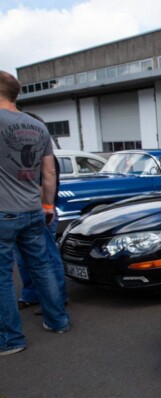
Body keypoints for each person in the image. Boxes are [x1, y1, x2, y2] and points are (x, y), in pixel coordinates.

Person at [0, 70, 71, 356]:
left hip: (3, 211)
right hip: (33, 209)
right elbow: (50, 171)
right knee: (42, 267)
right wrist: (47, 206)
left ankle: (11, 339)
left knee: (3, 277)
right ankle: (58, 321)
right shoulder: (37, 125)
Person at [15, 112, 67, 313]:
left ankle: (58, 300)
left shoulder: (44, 156)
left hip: (41, 211)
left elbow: (46, 181)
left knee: (47, 258)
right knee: (24, 259)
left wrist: (44, 208)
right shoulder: (23, 155)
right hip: (27, 210)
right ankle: (32, 295)